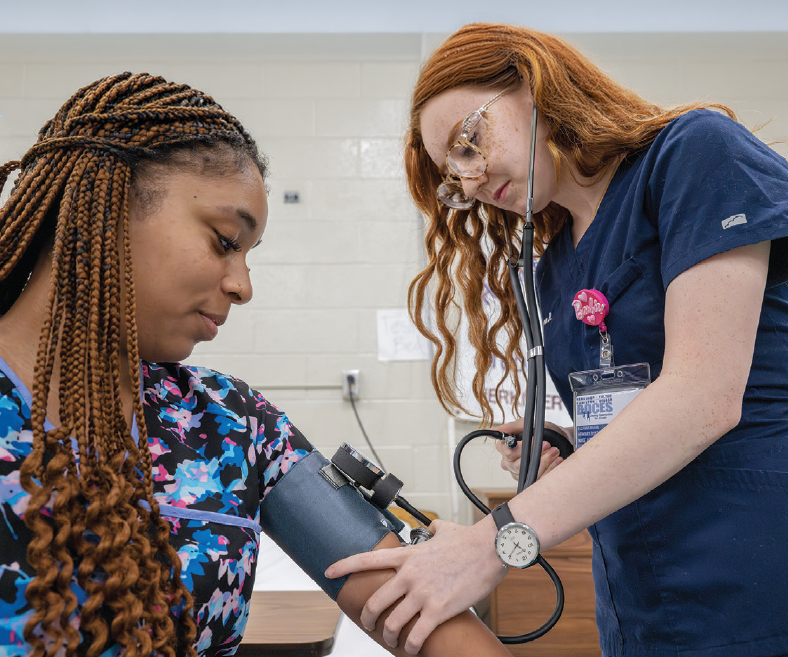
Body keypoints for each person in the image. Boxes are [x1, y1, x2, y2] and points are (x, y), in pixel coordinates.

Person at [0, 72, 511, 657]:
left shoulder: (229, 421)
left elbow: (430, 626)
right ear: (106, 210)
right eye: (224, 240)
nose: (242, 286)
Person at [327, 23, 788, 657]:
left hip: (753, 568)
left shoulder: (693, 154)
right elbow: (635, 402)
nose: (467, 180)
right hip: (639, 589)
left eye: (468, 143)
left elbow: (704, 394)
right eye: (451, 173)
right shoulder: (551, 267)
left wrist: (496, 540)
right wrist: (569, 443)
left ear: (532, 84)